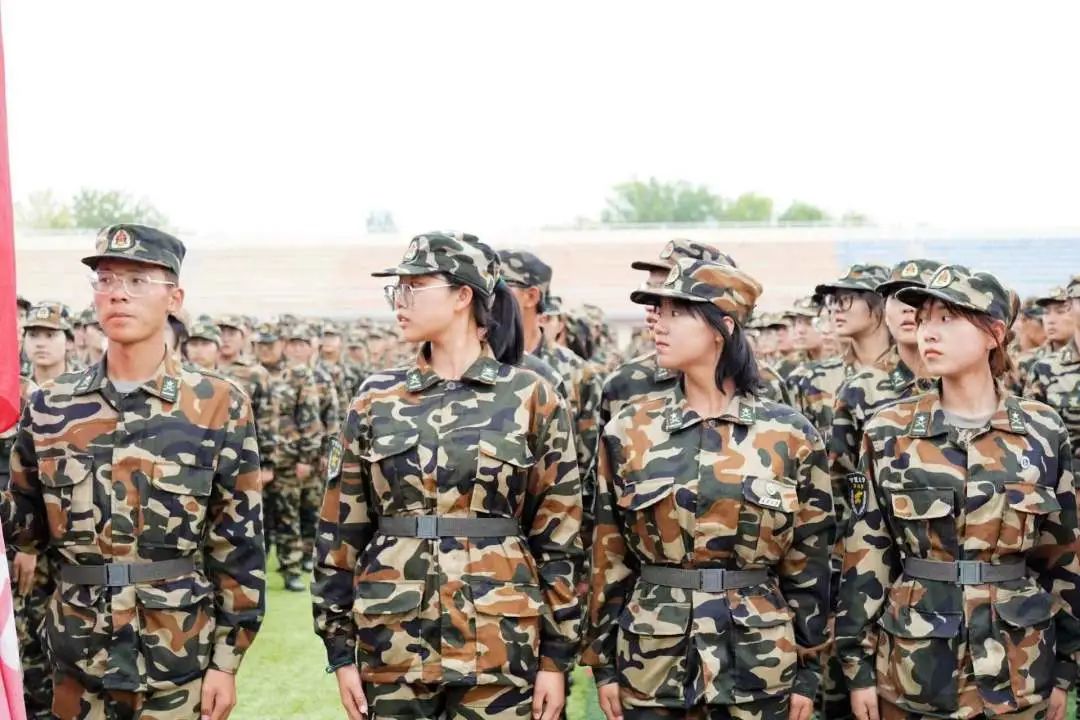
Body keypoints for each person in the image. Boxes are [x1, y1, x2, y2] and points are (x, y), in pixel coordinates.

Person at [313, 232, 583, 720]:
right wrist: (339, 650)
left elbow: (560, 536)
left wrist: (556, 659)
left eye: (415, 286)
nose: (400, 300)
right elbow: (340, 529)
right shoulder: (376, 399)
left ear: (463, 296)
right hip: (393, 642)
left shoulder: (531, 396)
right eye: (398, 288)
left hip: (501, 643)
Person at [1, 224, 265, 720]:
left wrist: (227, 663)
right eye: (105, 279)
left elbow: (238, 545)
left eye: (137, 280)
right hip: (76, 659)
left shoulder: (218, 403)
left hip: (176, 658)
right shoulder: (52, 406)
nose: (118, 292)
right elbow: (25, 533)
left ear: (174, 298)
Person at [584, 258, 834, 720]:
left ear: (722, 327)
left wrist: (809, 668)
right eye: (659, 311)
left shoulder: (789, 434)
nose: (659, 324)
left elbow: (811, 559)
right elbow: (607, 552)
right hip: (652, 659)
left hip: (759, 661)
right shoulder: (629, 430)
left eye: (677, 313)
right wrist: (602, 664)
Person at [836, 264, 1080, 720]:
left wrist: (1067, 666)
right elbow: (866, 555)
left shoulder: (1042, 430)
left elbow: (1062, 555)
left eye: (947, 319)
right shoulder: (889, 430)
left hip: (1019, 667)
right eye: (924, 319)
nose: (928, 332)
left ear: (994, 334)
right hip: (915, 671)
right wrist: (858, 667)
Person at [819, 259, 940, 720]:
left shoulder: (968, 381)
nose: (908, 309)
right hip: (872, 565)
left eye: (919, 298)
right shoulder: (860, 391)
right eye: (896, 298)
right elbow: (841, 494)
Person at [787, 264, 892, 441]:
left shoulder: (915, 377)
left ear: (881, 303)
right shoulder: (810, 379)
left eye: (846, 299)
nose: (836, 309)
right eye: (832, 301)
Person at [255, 321, 322, 591]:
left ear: (281, 344)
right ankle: (254, 569)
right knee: (255, 519)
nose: (265, 349)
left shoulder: (298, 374)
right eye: (261, 344)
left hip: (287, 459)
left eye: (270, 344)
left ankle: (291, 569)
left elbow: (310, 418)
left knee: (287, 517)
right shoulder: (249, 373)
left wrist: (306, 457)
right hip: (252, 460)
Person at [1026, 274, 1080, 462]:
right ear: (1070, 307)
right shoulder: (1043, 369)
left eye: (1058, 311)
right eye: (1047, 313)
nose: (1050, 320)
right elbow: (1030, 439)